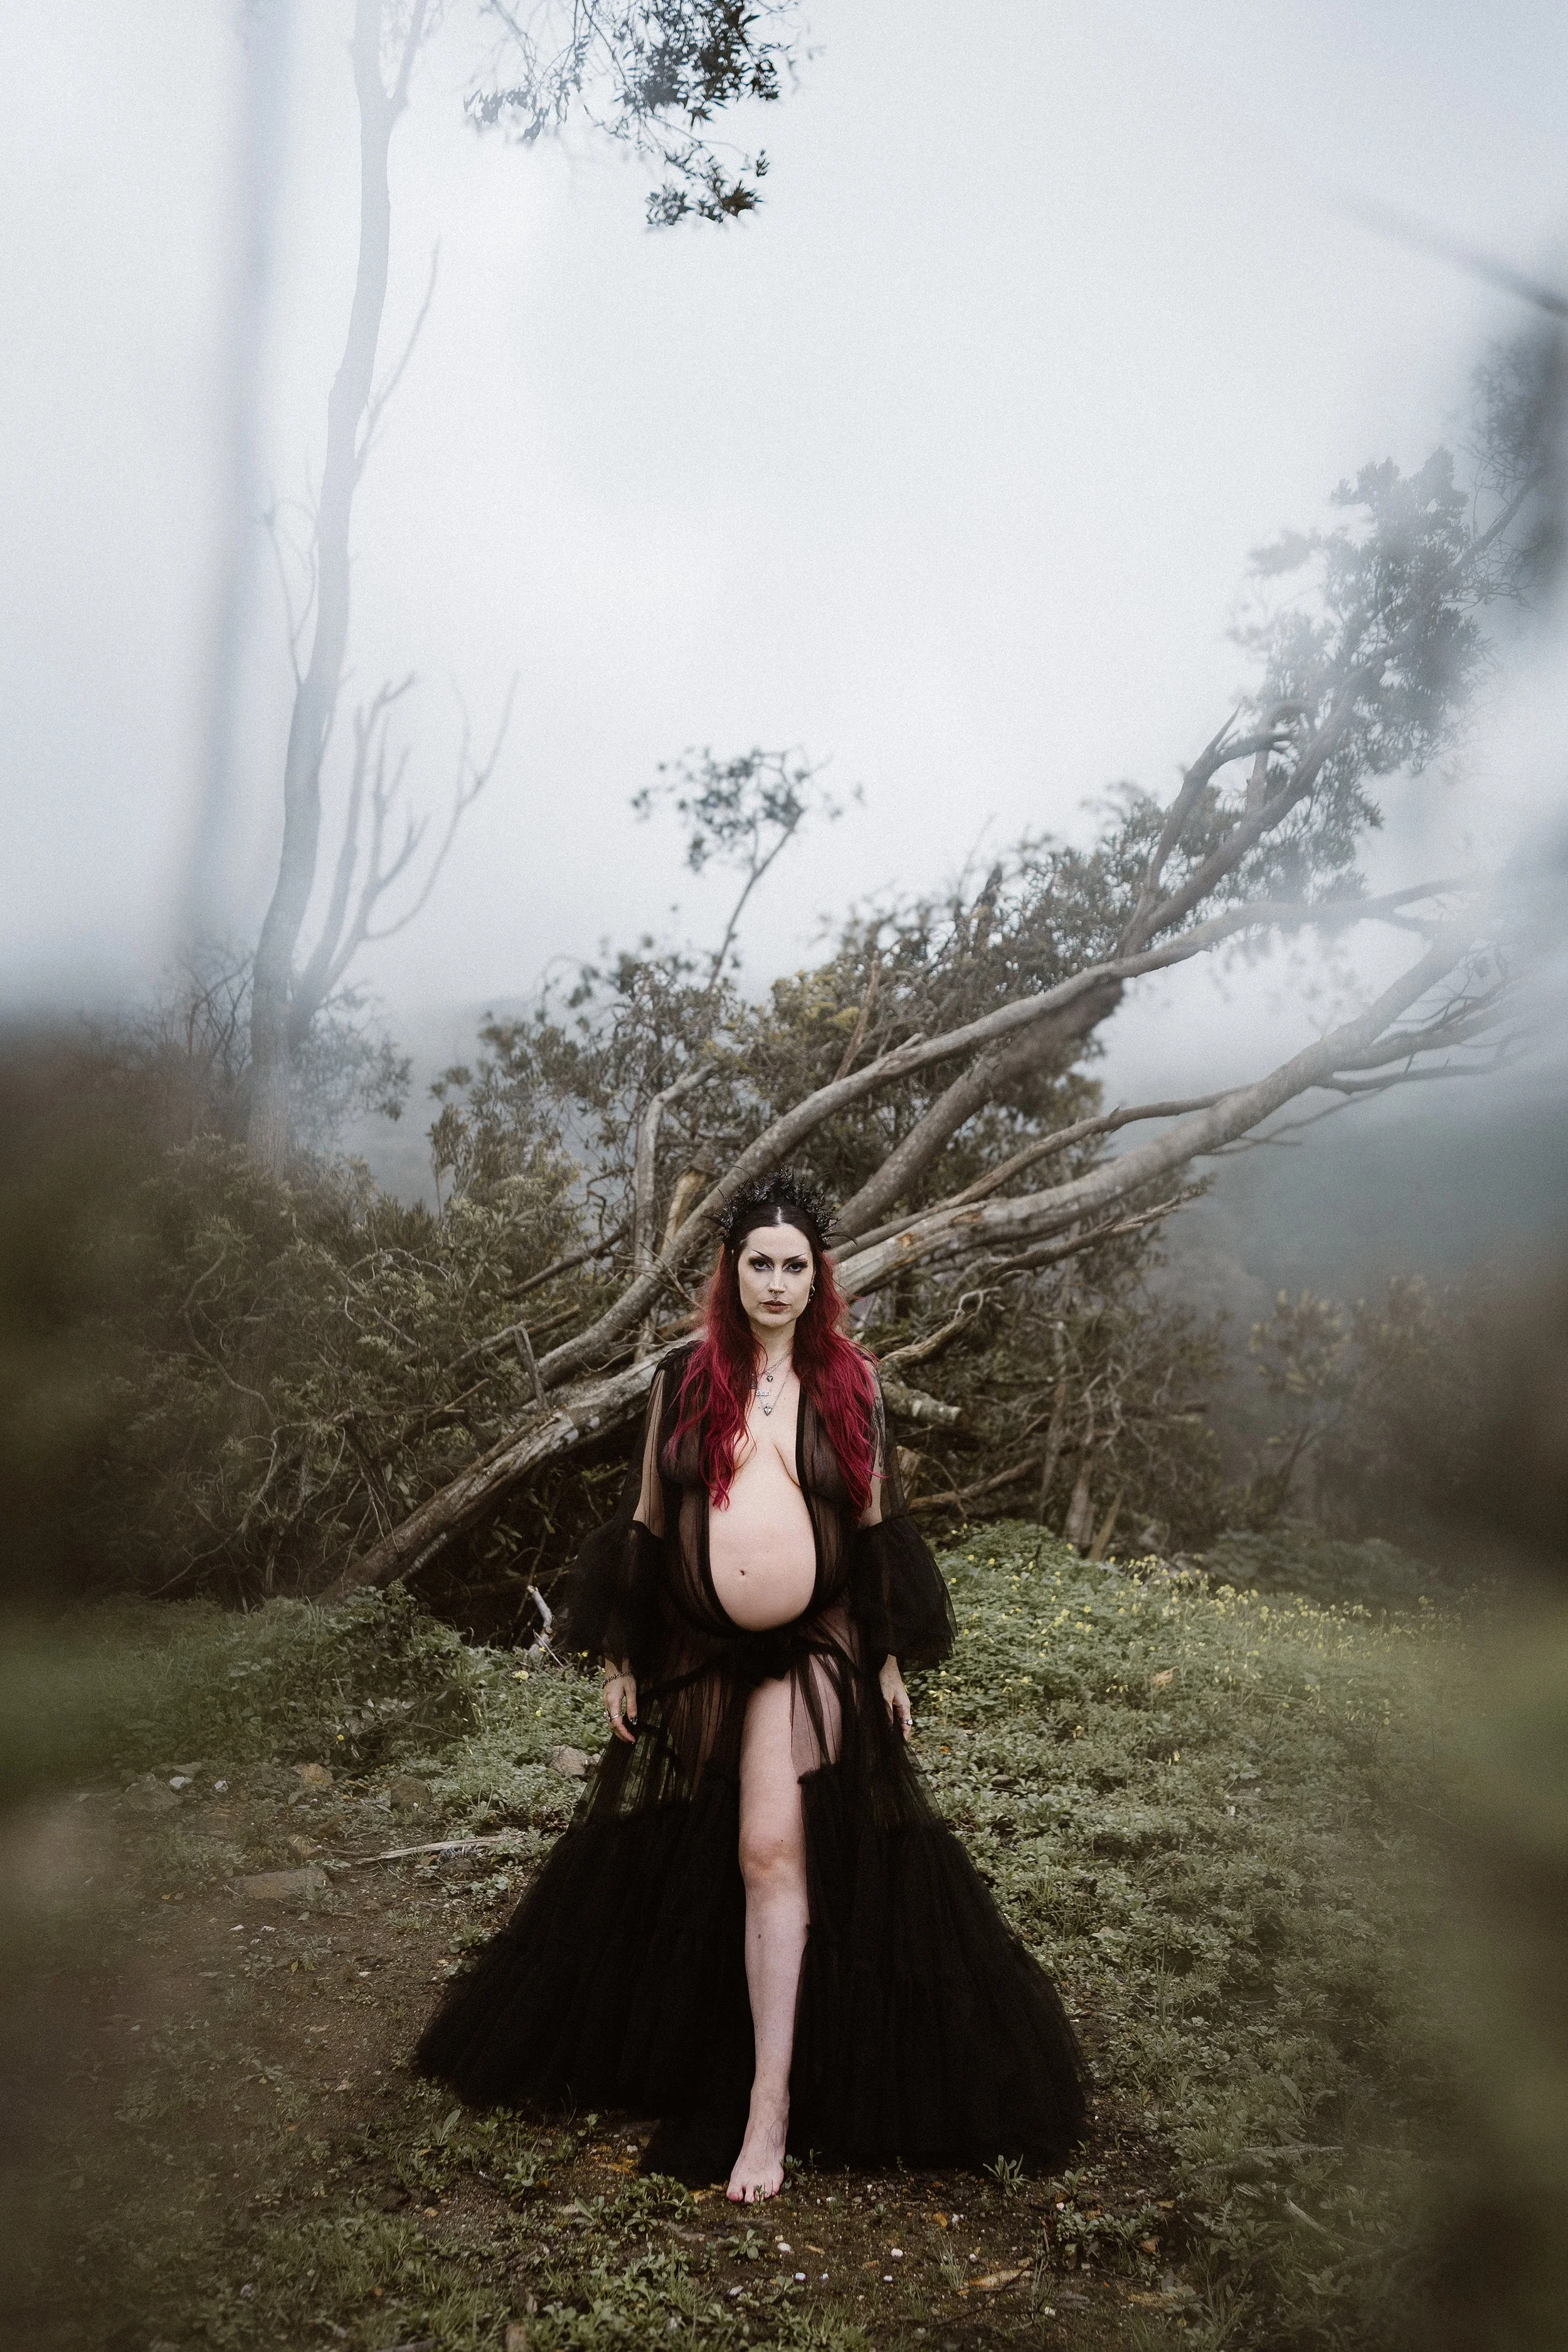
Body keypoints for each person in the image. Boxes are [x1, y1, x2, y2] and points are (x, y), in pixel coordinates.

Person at [416, 1171, 1089, 2201]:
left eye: (795, 1266)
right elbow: (646, 1516)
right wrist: (619, 1652)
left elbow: (873, 1531)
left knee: (769, 1846)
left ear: (821, 1278)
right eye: (759, 1264)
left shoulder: (851, 1381)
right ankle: (713, 2040)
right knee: (708, 1847)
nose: (777, 1282)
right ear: (729, 1274)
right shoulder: (686, 1374)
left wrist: (889, 1657)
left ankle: (766, 2106)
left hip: (810, 1646)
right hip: (694, 1644)